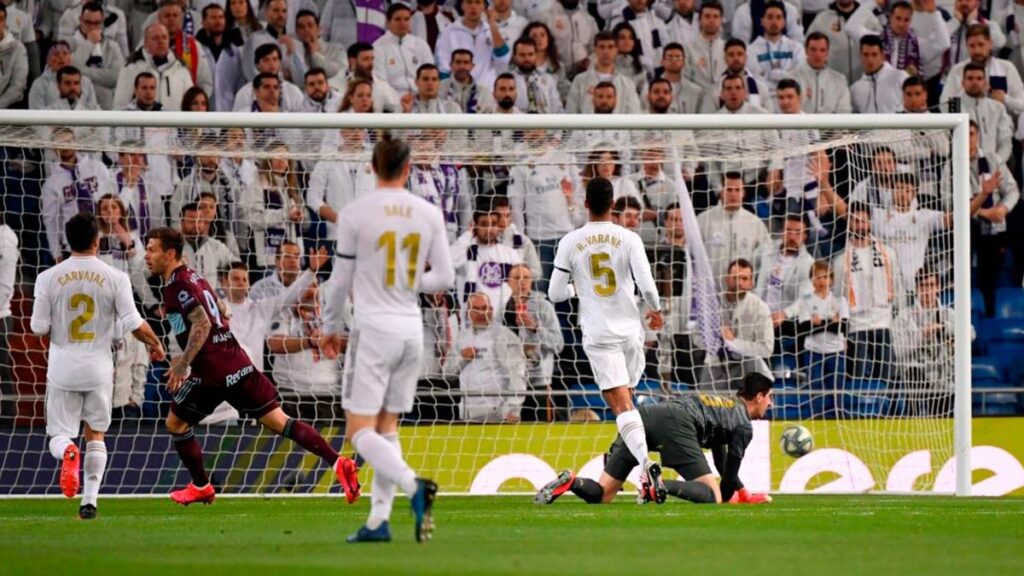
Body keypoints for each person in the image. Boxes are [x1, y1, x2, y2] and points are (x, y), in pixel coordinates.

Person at [142, 226, 361, 506]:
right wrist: (221, 319)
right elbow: (219, 307)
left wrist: (182, 363)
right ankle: (338, 461)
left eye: (152, 250)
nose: (146, 255)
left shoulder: (176, 286)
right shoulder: (194, 276)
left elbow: (202, 323)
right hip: (238, 361)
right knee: (281, 421)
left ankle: (201, 486)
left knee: (175, 423)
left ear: (170, 254)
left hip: (211, 372)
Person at [320, 133, 453, 543]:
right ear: (408, 169)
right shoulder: (428, 213)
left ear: (372, 167)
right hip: (411, 330)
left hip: (373, 329)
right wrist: (408, 282)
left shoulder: (355, 214)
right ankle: (379, 521)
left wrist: (329, 327)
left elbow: (339, 280)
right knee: (386, 426)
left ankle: (414, 486)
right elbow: (444, 278)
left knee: (358, 430)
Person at [30, 212, 165, 519]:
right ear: (97, 240)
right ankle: (89, 502)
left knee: (59, 435)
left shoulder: (47, 277)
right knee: (97, 435)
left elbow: (37, 327)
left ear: (68, 241)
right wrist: (155, 344)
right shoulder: (115, 277)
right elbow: (133, 322)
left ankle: (68, 451)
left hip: (63, 367)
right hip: (99, 369)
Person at [547, 177, 667, 503]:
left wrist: (576, 288)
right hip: (631, 333)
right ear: (613, 204)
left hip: (600, 335)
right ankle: (628, 467)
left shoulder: (570, 241)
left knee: (622, 407)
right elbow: (648, 287)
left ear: (585, 204)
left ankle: (646, 465)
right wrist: (656, 309)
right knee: (628, 403)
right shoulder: (629, 238)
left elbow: (554, 294)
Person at [535, 372, 774, 506]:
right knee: (712, 495)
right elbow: (728, 478)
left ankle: (572, 482)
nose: (771, 403)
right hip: (677, 422)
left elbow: (722, 464)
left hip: (643, 416)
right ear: (759, 396)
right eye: (769, 397)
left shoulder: (724, 405)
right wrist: (730, 496)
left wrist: (743, 492)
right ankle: (658, 485)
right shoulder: (743, 424)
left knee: (603, 494)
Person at [444, 292, 527, 423]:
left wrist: (514, 410)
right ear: (468, 312)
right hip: (466, 414)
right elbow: (447, 373)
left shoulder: (504, 336)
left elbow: (517, 375)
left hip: (497, 415)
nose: (481, 313)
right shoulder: (461, 337)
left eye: (484, 308)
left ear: (491, 310)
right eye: (476, 309)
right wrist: (462, 359)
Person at [42, 126, 115, 263]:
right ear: (53, 147)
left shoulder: (97, 167)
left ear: (75, 141)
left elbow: (113, 201)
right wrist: (56, 253)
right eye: (60, 143)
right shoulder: (51, 184)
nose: (66, 146)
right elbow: (51, 221)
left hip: (103, 238)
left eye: (68, 141)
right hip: (73, 245)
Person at [504, 264, 563, 422]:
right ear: (508, 282)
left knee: (540, 431)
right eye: (516, 278)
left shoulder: (544, 306)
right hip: (507, 383)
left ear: (531, 281)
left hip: (538, 383)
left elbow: (559, 344)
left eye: (526, 278)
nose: (521, 282)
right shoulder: (502, 309)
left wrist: (536, 328)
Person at [892, 268, 954, 416]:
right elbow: (897, 351)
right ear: (916, 288)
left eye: (931, 285)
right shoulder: (903, 316)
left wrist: (943, 327)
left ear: (938, 287)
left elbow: (971, 333)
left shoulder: (948, 313)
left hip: (943, 377)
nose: (927, 290)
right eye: (923, 285)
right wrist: (922, 334)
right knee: (913, 374)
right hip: (915, 377)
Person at [797, 259, 848, 416]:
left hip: (836, 351)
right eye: (817, 277)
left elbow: (843, 327)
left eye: (825, 277)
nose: (821, 281)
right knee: (816, 388)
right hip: (813, 352)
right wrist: (831, 322)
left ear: (831, 280)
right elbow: (804, 328)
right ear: (811, 280)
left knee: (836, 389)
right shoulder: (805, 300)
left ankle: (837, 419)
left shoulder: (840, 301)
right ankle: (817, 419)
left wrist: (820, 323)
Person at [67, 2, 121, 110]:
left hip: (106, 106)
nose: (92, 27)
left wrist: (82, 71)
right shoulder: (68, 43)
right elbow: (69, 71)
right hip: (75, 106)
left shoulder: (112, 47)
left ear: (102, 22)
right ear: (80, 20)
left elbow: (116, 77)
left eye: (96, 23)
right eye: (88, 22)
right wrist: (89, 43)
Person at [373, 4, 433, 97]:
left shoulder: (421, 44)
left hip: (420, 97)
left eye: (406, 19)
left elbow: (431, 74)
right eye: (398, 19)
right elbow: (380, 82)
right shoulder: (378, 47)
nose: (403, 23)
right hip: (392, 100)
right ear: (388, 22)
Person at [786, 32, 852, 114]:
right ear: (806, 51)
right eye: (813, 49)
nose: (818, 55)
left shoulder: (840, 80)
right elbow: (788, 110)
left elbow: (844, 112)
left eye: (822, 50)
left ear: (827, 52)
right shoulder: (792, 78)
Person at [851, 34, 908, 113]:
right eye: (866, 55)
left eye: (874, 54)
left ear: (882, 55)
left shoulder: (900, 77)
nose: (870, 59)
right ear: (860, 56)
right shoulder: (855, 89)